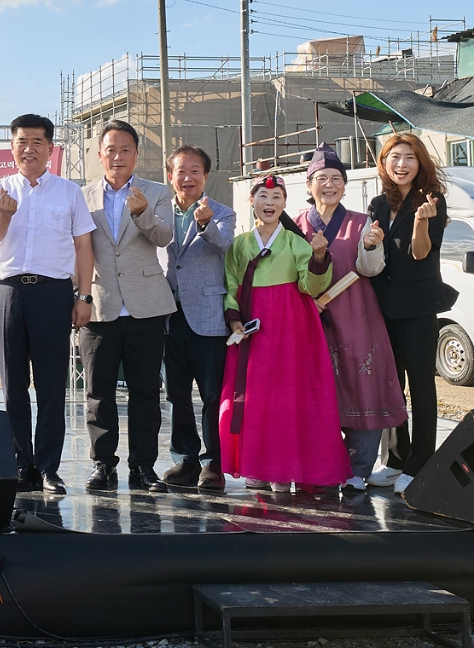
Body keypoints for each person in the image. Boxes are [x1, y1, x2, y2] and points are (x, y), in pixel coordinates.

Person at [0, 114, 95, 495]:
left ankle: (47, 467)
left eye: (37, 142)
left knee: (50, 387)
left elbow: (82, 246)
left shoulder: (68, 191)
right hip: (10, 292)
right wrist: (5, 214)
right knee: (13, 386)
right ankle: (20, 465)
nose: (29, 149)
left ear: (50, 148)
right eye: (22, 142)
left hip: (53, 293)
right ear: (12, 147)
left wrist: (83, 296)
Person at [219, 174, 350, 492]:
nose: (269, 203)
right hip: (255, 331)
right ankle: (260, 467)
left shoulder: (295, 242)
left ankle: (290, 468)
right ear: (252, 202)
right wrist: (235, 319)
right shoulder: (240, 245)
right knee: (257, 399)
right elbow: (232, 285)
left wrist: (319, 257)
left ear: (285, 204)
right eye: (263, 196)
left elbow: (312, 285)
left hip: (293, 328)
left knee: (292, 397)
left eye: (276, 197)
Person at [294, 143, 406, 490]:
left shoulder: (361, 222)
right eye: (322, 178)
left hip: (358, 317)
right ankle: (321, 464)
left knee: (363, 385)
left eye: (336, 178)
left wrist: (372, 245)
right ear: (309, 185)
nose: (329, 184)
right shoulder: (295, 224)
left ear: (345, 185)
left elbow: (370, 270)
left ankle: (357, 468)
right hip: (310, 320)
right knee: (315, 391)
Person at [80, 120, 176, 493]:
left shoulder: (155, 192)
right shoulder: (82, 195)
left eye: (125, 150)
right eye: (111, 150)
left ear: (136, 154)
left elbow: (165, 236)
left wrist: (143, 215)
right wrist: (80, 295)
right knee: (98, 391)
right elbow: (78, 248)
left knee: (146, 391)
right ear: (100, 155)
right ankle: (103, 464)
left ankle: (144, 467)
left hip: (146, 305)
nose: (117, 156)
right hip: (100, 304)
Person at [367, 133, 450, 495]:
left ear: (420, 162)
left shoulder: (432, 200)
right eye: (394, 157)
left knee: (420, 384)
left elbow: (420, 254)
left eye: (409, 157)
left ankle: (420, 462)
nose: (401, 164)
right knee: (390, 384)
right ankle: (397, 458)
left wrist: (420, 223)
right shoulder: (377, 204)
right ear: (384, 163)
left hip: (417, 308)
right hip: (382, 305)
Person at [160, 146, 236, 491]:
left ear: (206, 176)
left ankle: (213, 463)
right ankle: (185, 459)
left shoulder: (222, 213)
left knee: (211, 394)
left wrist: (204, 224)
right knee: (176, 394)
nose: (187, 178)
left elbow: (223, 246)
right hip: (166, 314)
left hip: (207, 316)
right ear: (169, 175)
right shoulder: (158, 211)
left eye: (195, 171)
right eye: (181, 171)